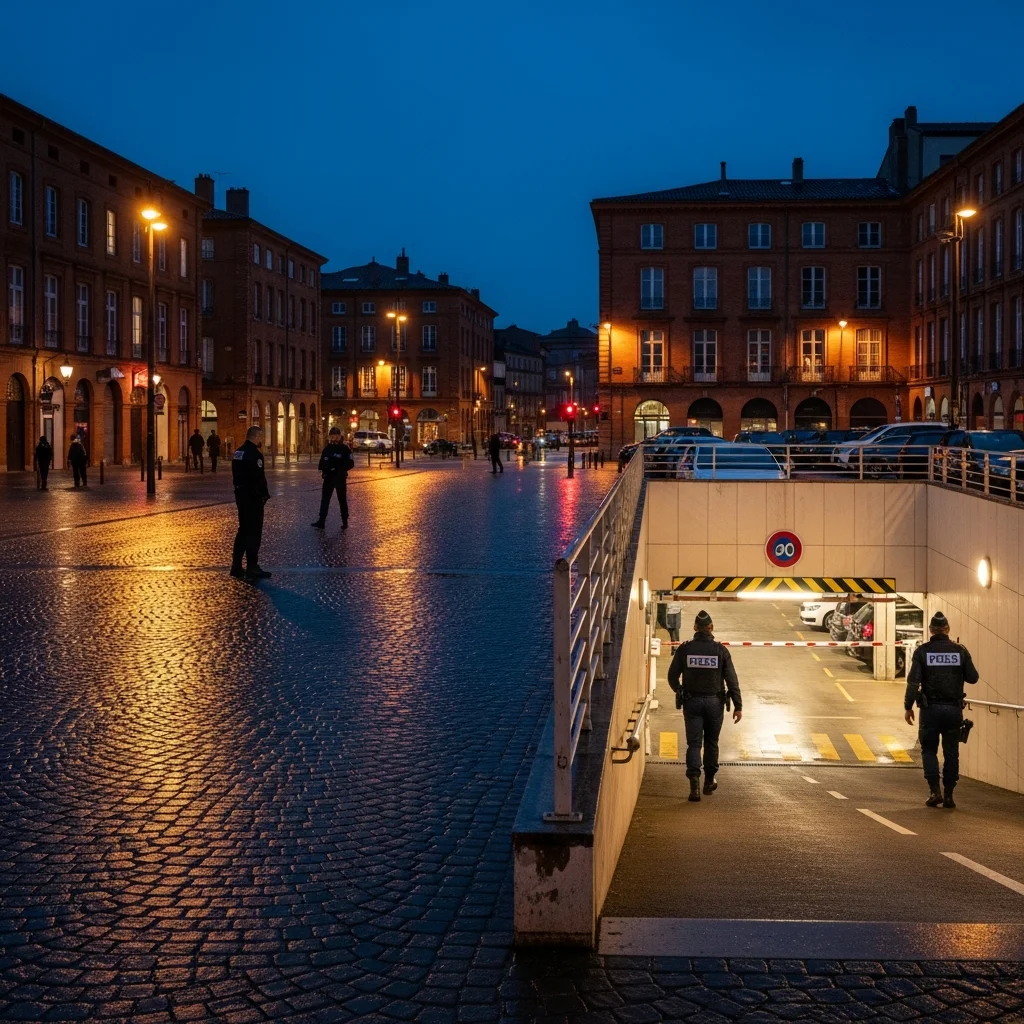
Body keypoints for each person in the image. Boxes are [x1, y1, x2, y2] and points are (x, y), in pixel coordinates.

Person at [905, 611, 979, 808]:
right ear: (947, 629)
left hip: (930, 710)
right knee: (951, 752)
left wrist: (908, 706)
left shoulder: (923, 651)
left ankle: (934, 792)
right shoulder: (960, 651)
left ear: (931, 630)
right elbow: (973, 677)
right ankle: (949, 796)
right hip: (953, 710)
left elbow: (913, 682)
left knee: (929, 750)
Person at [667, 610, 743, 802]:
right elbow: (732, 680)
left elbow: (672, 676)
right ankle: (709, 781)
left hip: (692, 702)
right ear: (711, 628)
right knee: (711, 742)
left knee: (694, 744)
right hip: (714, 704)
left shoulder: (685, 649)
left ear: (695, 628)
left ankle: (694, 787)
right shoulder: (721, 651)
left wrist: (680, 691)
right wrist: (738, 705)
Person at [230, 426, 271, 580]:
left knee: (243, 530)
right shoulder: (255, 455)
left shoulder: (238, 453)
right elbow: (258, 478)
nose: (262, 440)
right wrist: (264, 495)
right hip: (253, 498)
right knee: (254, 532)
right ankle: (252, 566)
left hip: (241, 496)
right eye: (261, 437)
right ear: (256, 437)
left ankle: (236, 565)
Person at [311, 426, 353, 529]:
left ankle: (344, 521)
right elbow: (323, 460)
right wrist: (323, 470)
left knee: (342, 499)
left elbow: (350, 463)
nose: (333, 438)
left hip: (339, 478)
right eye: (332, 436)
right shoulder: (328, 448)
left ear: (339, 436)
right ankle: (321, 521)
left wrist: (339, 470)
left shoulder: (345, 449)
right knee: (325, 499)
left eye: (335, 436)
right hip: (328, 478)